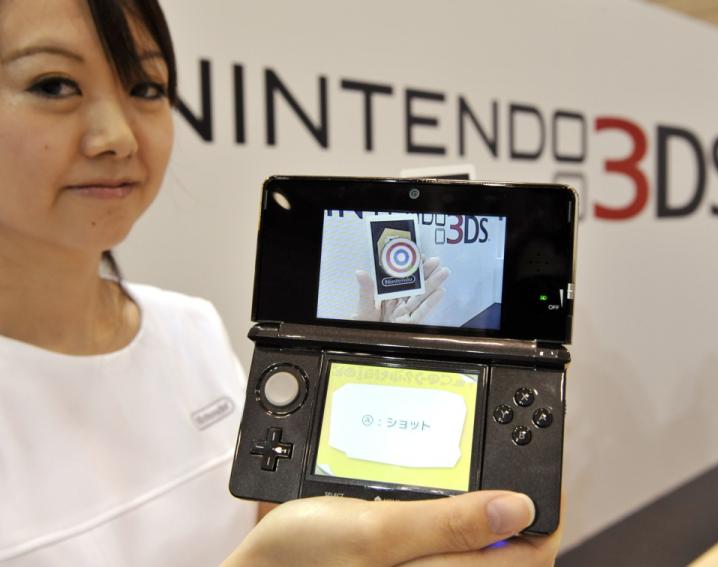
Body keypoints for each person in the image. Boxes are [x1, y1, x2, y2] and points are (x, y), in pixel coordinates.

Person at [0, 0, 562, 565]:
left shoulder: (188, 327)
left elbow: (270, 509)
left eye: (146, 87)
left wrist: (389, 365)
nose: (117, 136)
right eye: (53, 85)